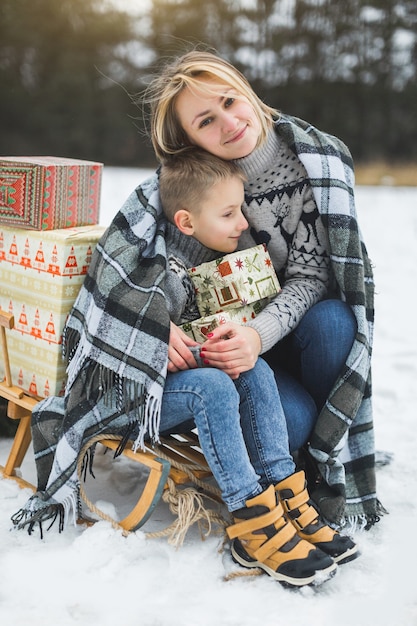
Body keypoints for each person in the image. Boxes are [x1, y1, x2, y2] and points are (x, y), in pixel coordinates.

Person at [11, 46, 378, 583]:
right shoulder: (194, 185)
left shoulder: (314, 164)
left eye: (230, 101)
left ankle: (311, 468)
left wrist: (257, 333)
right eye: (207, 120)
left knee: (333, 323)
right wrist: (154, 331)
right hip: (228, 357)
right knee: (271, 412)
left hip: (282, 334)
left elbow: (313, 278)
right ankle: (260, 509)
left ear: (245, 90)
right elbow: (150, 275)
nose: (229, 123)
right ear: (192, 139)